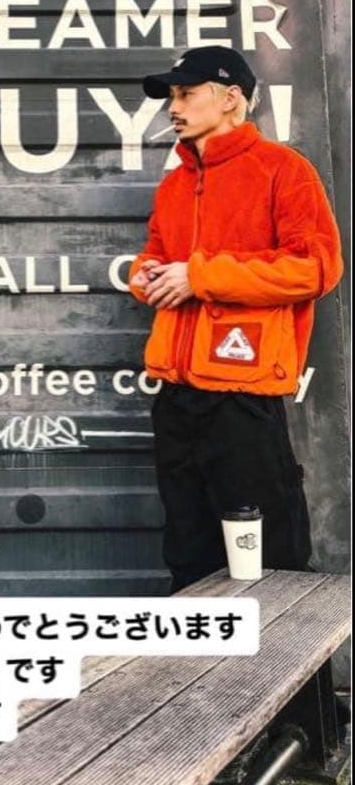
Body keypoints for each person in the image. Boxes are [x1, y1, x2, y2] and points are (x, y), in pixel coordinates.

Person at [128, 45, 344, 595]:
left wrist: (201, 277)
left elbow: (316, 268)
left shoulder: (282, 170)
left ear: (230, 99)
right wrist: (146, 274)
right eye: (171, 96)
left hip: (242, 397)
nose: (173, 107)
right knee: (188, 555)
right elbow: (156, 254)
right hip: (176, 397)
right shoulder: (175, 184)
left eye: (186, 94)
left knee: (271, 558)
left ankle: (282, 655)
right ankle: (200, 655)